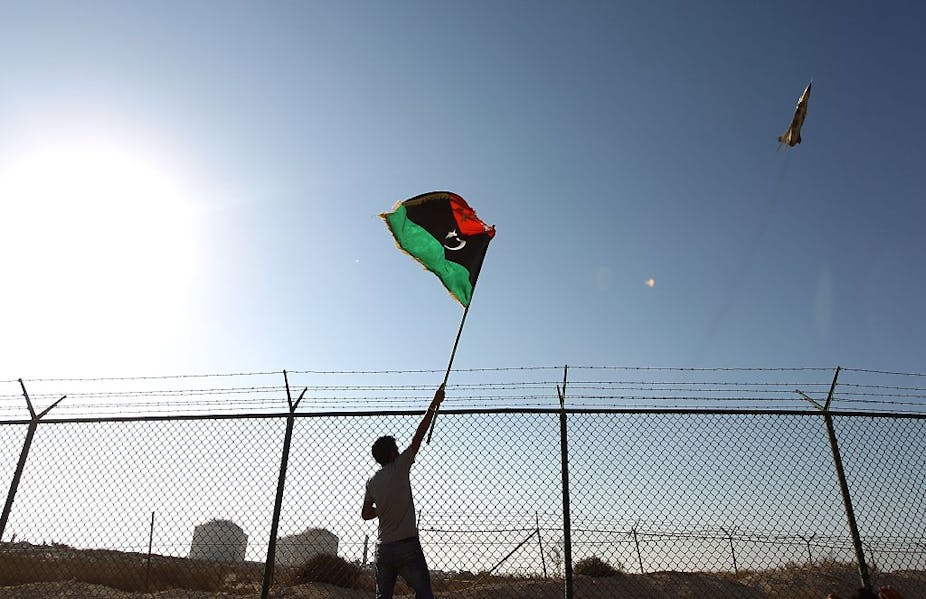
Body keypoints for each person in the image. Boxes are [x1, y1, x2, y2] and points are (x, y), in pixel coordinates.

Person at [362, 384, 445, 599]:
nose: (399, 451)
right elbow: (419, 434)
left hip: (383, 548)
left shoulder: (371, 481)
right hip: (407, 544)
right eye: (396, 450)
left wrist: (382, 509)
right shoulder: (400, 467)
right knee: (424, 593)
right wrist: (434, 403)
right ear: (392, 454)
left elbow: (365, 514)